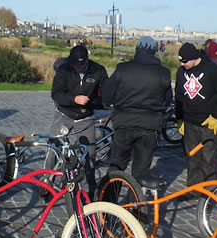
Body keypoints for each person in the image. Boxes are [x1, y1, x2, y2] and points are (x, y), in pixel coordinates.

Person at [102, 36, 172, 182]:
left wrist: (114, 104)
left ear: (137, 49)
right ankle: (135, 202)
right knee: (141, 172)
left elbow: (107, 95)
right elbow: (167, 101)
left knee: (116, 167)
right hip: (150, 126)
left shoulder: (123, 69)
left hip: (124, 123)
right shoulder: (164, 73)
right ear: (154, 51)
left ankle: (109, 201)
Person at [50, 44, 108, 200]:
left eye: (80, 65)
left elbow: (106, 96)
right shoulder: (64, 70)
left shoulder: (98, 71)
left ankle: (90, 190)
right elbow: (56, 94)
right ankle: (47, 184)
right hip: (64, 114)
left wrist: (92, 102)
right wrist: (73, 99)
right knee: (53, 148)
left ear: (87, 61)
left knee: (90, 154)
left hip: (86, 117)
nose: (77, 68)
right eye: (75, 65)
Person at [175, 42, 217, 188]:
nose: (182, 64)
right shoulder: (181, 72)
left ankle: (208, 193)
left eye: (185, 61)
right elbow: (179, 97)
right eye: (180, 61)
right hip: (189, 122)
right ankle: (193, 189)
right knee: (192, 158)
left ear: (194, 58)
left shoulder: (212, 70)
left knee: (208, 160)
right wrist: (179, 118)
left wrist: (215, 115)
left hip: (207, 122)